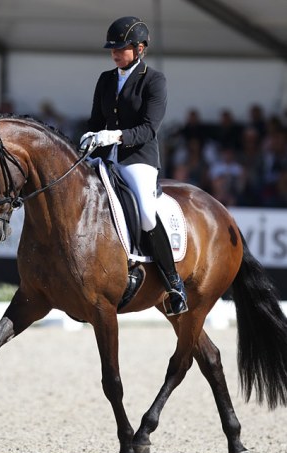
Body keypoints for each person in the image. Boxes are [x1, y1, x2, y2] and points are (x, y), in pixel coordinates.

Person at [80, 16, 187, 315]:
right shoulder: (105, 79)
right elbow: (94, 121)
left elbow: (148, 129)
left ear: (139, 49)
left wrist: (114, 135)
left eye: (121, 48)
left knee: (145, 213)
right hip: (103, 157)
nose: (115, 53)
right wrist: (89, 137)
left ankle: (173, 282)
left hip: (138, 159)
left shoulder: (154, 81)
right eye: (112, 49)